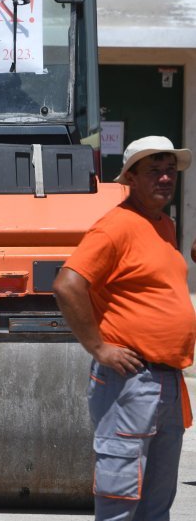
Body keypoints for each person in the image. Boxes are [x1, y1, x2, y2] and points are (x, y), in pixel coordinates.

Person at [53, 135, 196, 521]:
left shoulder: (164, 225)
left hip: (167, 380)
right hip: (130, 380)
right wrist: (100, 348)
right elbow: (68, 284)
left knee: (155, 504)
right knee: (121, 502)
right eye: (154, 171)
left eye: (170, 171)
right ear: (129, 179)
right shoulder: (116, 226)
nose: (165, 178)